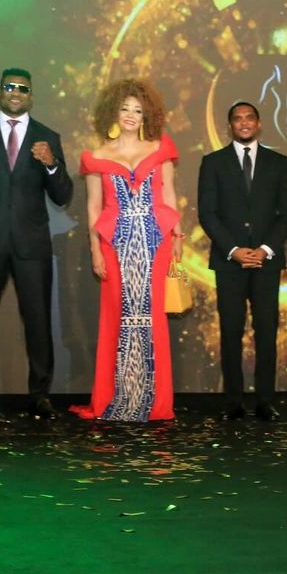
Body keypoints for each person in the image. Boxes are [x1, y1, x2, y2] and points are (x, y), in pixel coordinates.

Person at [0, 68, 73, 418]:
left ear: (31, 95)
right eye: (9, 87)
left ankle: (40, 395)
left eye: (23, 88)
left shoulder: (47, 137)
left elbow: (63, 195)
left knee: (38, 322)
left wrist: (51, 165)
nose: (16, 92)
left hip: (31, 244)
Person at [73, 78, 181, 422]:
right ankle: (117, 399)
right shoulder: (95, 156)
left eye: (138, 109)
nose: (132, 115)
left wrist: (177, 240)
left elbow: (168, 195)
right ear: (113, 112)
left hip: (155, 242)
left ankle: (155, 403)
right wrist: (94, 250)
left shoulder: (160, 147)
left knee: (153, 319)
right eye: (125, 109)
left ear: (147, 114)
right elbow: (93, 208)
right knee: (116, 318)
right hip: (115, 244)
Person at [198, 101, 287, 421]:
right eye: (237, 118)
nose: (243, 123)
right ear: (230, 126)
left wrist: (265, 249)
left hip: (266, 261)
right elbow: (208, 214)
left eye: (249, 118)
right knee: (230, 330)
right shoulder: (212, 162)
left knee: (267, 331)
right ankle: (233, 402)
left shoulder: (278, 162)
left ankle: (265, 400)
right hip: (230, 262)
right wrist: (235, 250)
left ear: (259, 124)